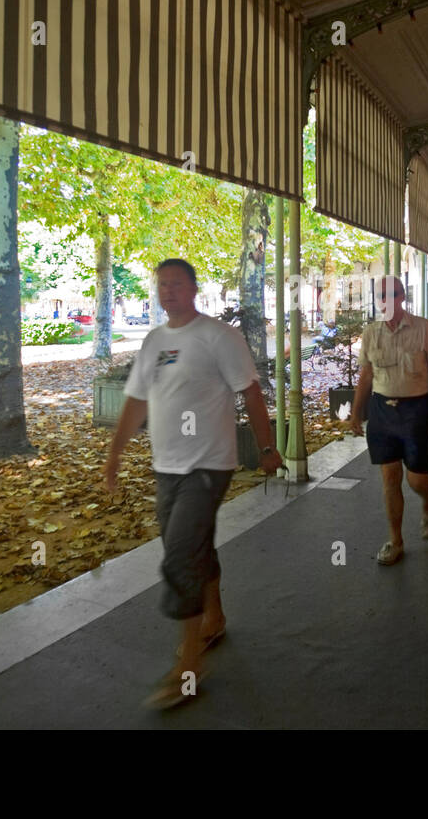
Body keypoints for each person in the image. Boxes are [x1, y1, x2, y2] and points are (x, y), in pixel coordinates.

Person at [103, 259, 282, 709]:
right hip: (167, 467)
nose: (168, 291)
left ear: (193, 289)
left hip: (209, 465)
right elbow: (136, 400)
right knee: (193, 544)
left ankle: (188, 666)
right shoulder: (154, 341)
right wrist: (115, 452)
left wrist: (266, 449)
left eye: (177, 284)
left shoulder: (219, 337)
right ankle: (215, 617)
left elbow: (252, 392)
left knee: (181, 554)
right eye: (161, 284)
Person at [349, 276, 428, 566]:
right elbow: (366, 375)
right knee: (390, 479)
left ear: (402, 296)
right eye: (381, 295)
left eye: (392, 294)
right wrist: (356, 412)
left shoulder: (423, 328)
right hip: (382, 411)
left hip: (417, 410)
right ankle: (396, 540)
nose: (387, 299)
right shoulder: (371, 333)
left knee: (416, 479)